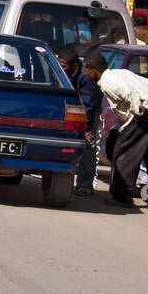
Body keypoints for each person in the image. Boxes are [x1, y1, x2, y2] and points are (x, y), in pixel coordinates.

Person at [98, 68, 148, 209]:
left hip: (142, 113)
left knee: (125, 154)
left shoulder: (107, 80)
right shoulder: (123, 73)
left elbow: (129, 93)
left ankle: (122, 197)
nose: (85, 74)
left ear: (92, 70)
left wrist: (136, 110)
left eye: (86, 70)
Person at [59, 49, 105, 197]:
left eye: (64, 66)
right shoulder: (61, 72)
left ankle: (85, 185)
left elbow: (89, 105)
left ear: (74, 65)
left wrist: (86, 128)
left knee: (87, 146)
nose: (61, 69)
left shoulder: (86, 77)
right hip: (69, 111)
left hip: (87, 115)